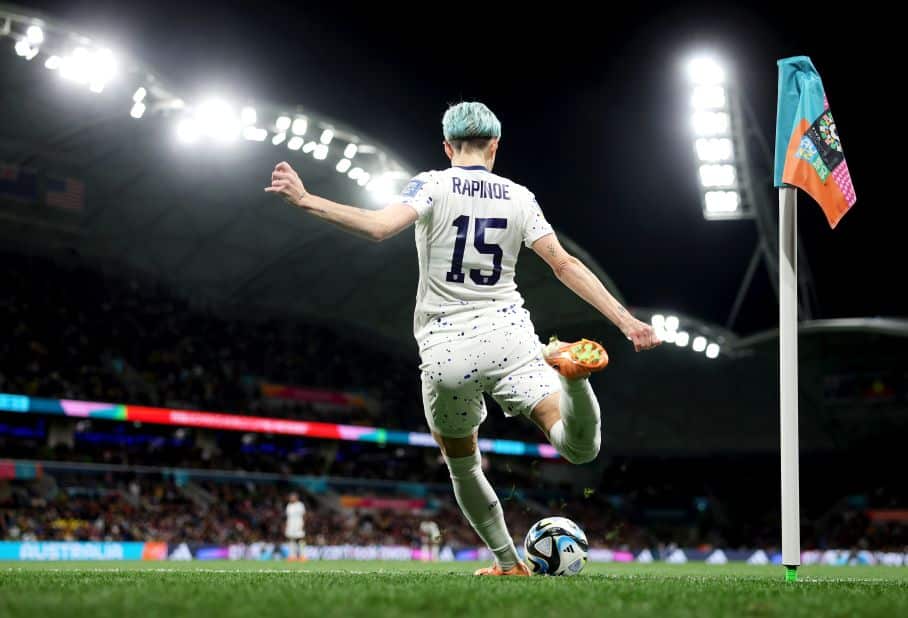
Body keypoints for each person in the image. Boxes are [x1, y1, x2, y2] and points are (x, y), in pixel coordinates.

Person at [265, 101, 660, 576]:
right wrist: (627, 323)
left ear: (447, 147)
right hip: (510, 335)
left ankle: (508, 564)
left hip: (447, 349)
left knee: (464, 464)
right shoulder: (519, 196)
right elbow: (564, 265)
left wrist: (306, 199)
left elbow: (378, 228)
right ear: (495, 145)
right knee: (580, 449)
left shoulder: (430, 183)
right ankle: (573, 378)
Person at [285, 492, 306, 561]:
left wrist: (303, 524)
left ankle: (303, 556)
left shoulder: (300, 505)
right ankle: (292, 556)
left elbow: (304, 515)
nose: (291, 498)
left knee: (301, 539)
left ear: (296, 497)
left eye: (293, 497)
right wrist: (286, 526)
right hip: (291, 525)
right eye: (290, 497)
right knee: (291, 540)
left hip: (298, 524)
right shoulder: (289, 505)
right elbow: (288, 517)